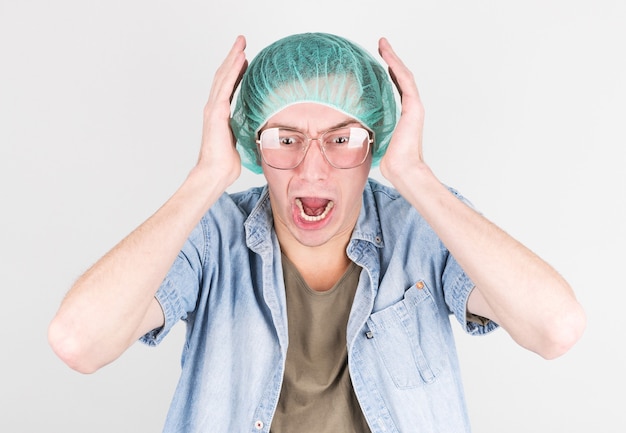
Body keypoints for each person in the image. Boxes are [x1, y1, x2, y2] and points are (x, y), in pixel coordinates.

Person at [48, 32, 586, 432]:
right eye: (284, 138)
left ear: (374, 143)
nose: (312, 169)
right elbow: (78, 341)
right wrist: (206, 177)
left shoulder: (421, 230)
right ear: (252, 144)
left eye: (342, 138)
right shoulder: (212, 238)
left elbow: (555, 327)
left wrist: (415, 176)